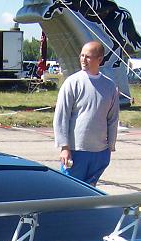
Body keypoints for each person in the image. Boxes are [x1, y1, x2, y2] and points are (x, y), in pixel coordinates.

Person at [53, 40, 120, 186]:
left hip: (100, 152)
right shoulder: (72, 82)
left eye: (88, 57)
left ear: (99, 59)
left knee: (90, 191)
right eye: (82, 55)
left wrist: (110, 146)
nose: (83, 60)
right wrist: (64, 147)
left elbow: (113, 118)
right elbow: (61, 116)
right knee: (71, 190)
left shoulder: (109, 86)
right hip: (76, 150)